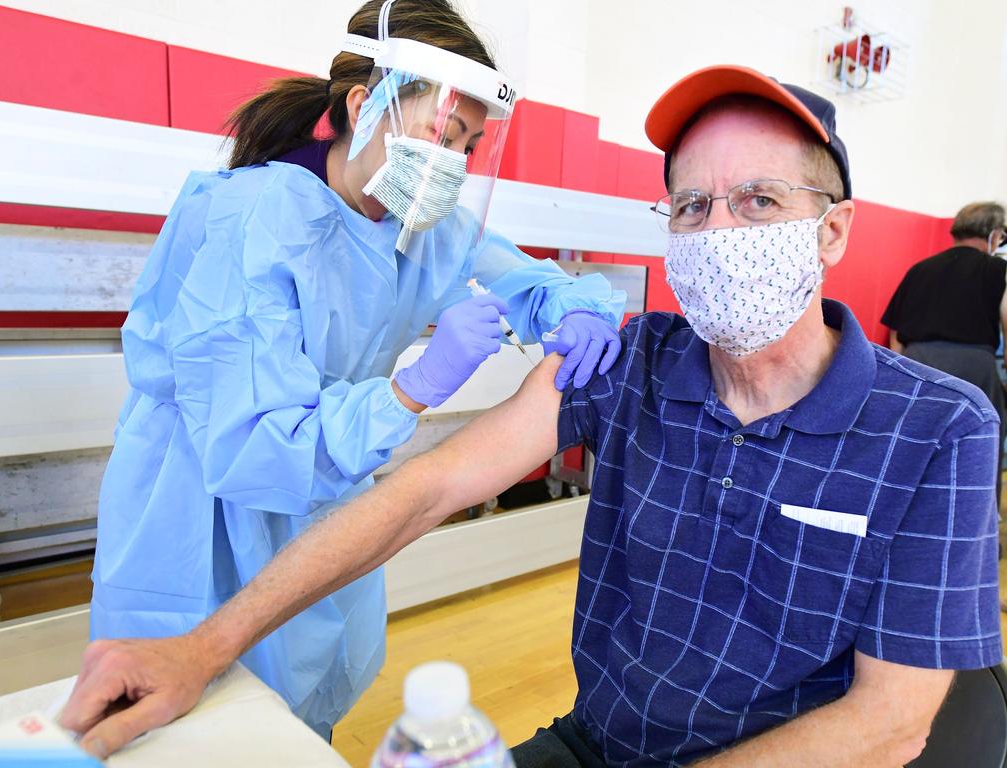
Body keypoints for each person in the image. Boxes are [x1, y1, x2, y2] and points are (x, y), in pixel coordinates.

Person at [62, 66, 1001, 767]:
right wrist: (203, 643)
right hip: (599, 746)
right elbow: (427, 490)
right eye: (689, 205)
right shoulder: (633, 361)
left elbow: (890, 723)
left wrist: (555, 302)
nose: (719, 234)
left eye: (760, 201)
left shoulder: (939, 429)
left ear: (832, 228)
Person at [88, 0, 625, 742]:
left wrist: (581, 309)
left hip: (325, 489)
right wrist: (412, 387)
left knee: (301, 720)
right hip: (199, 503)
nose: (451, 163)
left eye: (468, 145)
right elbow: (250, 450)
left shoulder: (422, 230)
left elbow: (530, 280)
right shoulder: (254, 219)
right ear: (364, 104)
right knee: (186, 725)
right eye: (442, 131)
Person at [882, 202, 1007, 509]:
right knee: (979, 449)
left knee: (911, 449)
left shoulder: (920, 269)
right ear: (993, 234)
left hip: (917, 364)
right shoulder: (998, 270)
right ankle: (976, 529)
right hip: (974, 369)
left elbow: (895, 334)